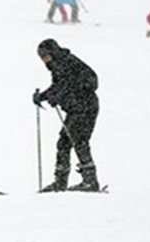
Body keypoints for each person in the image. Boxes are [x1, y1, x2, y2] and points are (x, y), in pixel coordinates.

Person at [32, 39, 101, 192]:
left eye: (46, 56)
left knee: (79, 141)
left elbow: (90, 82)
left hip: (86, 107)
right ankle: (61, 182)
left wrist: (61, 96)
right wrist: (43, 96)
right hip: (76, 109)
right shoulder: (57, 66)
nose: (44, 60)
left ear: (53, 52)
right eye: (42, 57)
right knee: (64, 142)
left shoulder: (68, 62)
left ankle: (90, 181)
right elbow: (59, 86)